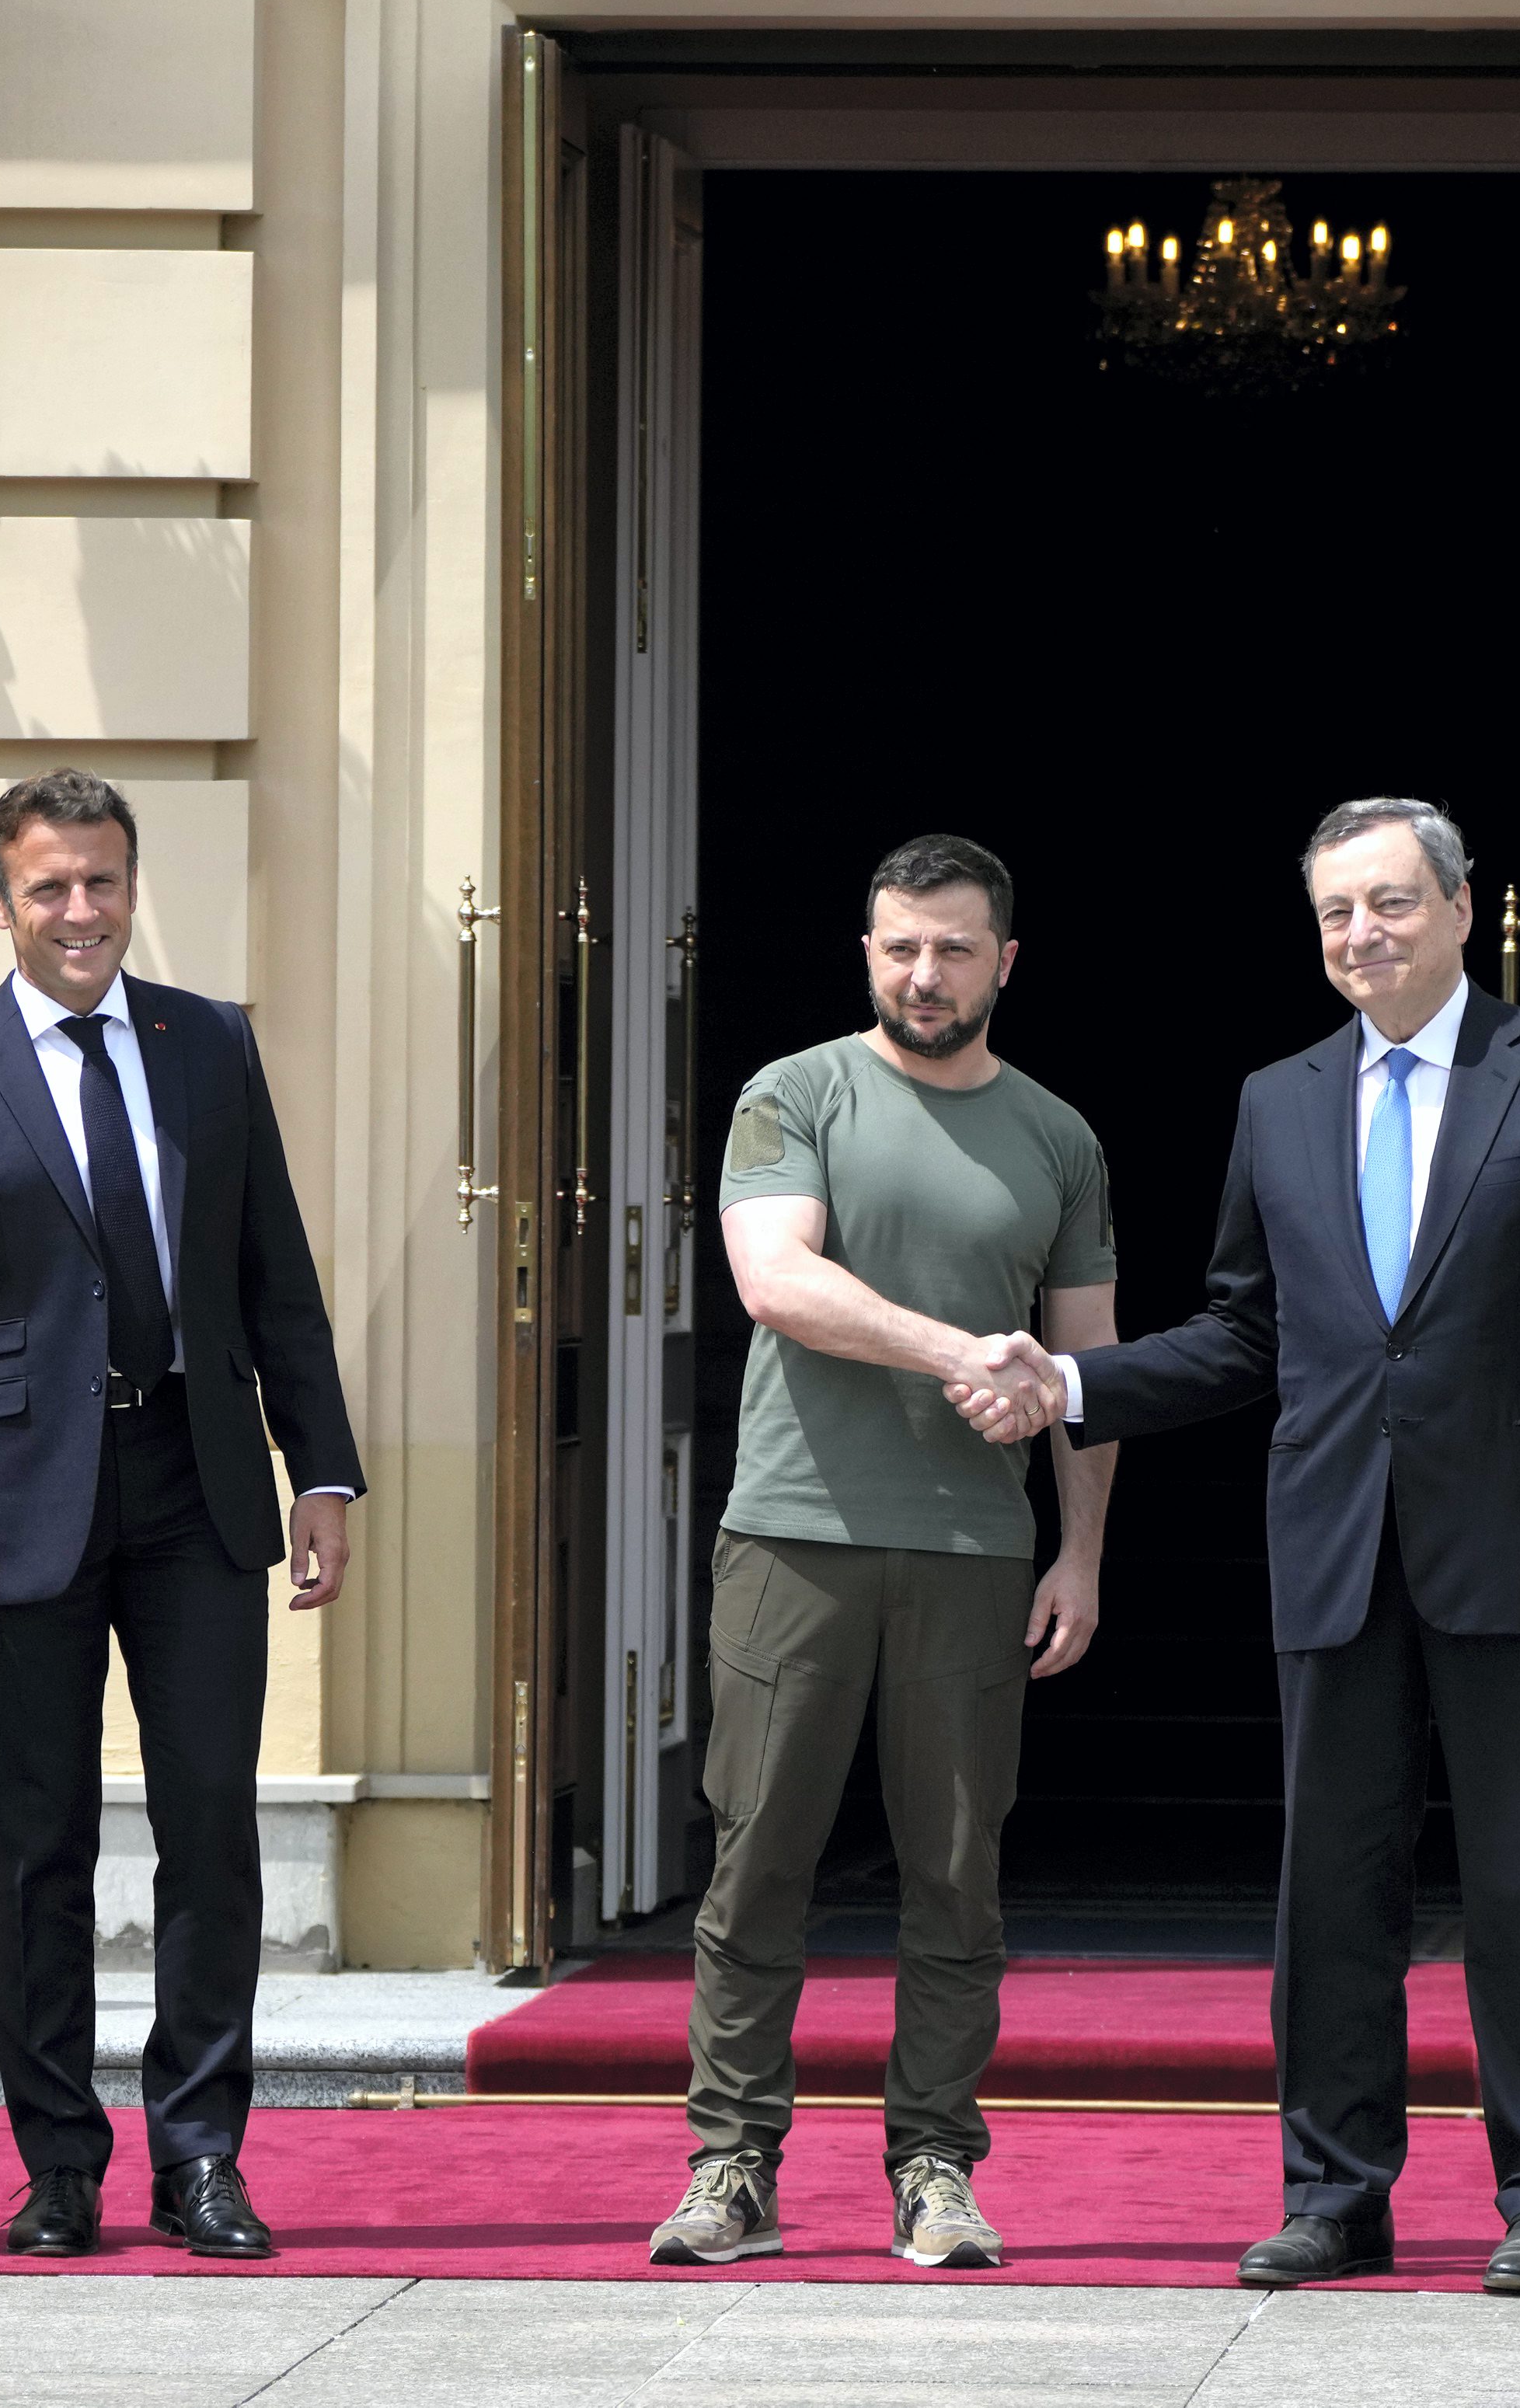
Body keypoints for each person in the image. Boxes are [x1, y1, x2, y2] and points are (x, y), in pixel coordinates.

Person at [967, 796, 1520, 2297]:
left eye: (1391, 904)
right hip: (1337, 1543)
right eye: (1336, 914)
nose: (1363, 935)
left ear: (1463, 908)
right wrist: (1079, 1382)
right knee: (1331, 1884)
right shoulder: (1280, 1097)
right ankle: (1337, 2189)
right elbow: (1248, 1328)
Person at [0, 768, 364, 2263]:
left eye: (105, 883)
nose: (83, 911)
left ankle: (201, 2154)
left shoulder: (210, 1043)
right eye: (52, 887)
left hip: (201, 1490)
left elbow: (279, 1273)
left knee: (213, 1833)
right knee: (39, 1846)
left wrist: (317, 1465)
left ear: (133, 887)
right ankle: (60, 2162)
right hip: (14, 1514)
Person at [647, 834, 1112, 2278]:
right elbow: (773, 1276)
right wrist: (961, 1345)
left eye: (955, 947)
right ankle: (731, 2161)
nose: (926, 972)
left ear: (1006, 961)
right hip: (795, 1535)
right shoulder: (794, 1093)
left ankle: (936, 2166)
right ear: (867, 952)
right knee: (758, 1860)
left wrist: (1082, 1551)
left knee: (959, 1874)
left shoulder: (1059, 1137)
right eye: (901, 945)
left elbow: (1090, 1374)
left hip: (978, 1550)